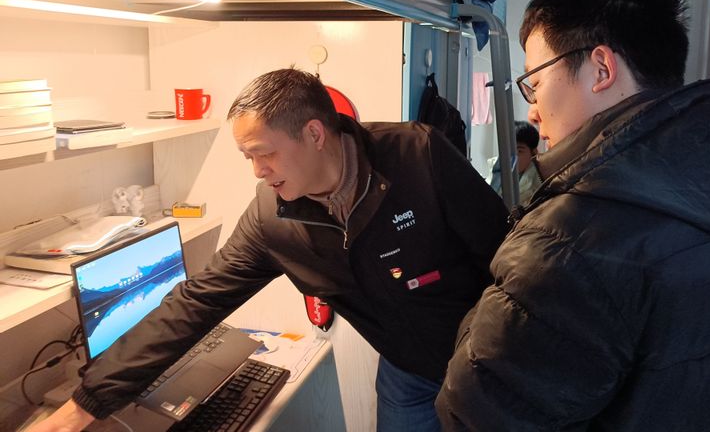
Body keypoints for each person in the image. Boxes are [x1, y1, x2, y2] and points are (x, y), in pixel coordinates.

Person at [32, 68, 509, 432]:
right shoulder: (272, 218)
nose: (258, 171)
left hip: (487, 363)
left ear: (315, 134)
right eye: (248, 157)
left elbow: (507, 258)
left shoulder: (418, 156)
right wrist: (84, 404)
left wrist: (501, 358)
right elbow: (196, 302)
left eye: (265, 153)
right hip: (407, 373)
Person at [436, 0, 710, 430]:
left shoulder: (571, 238)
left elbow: (472, 415)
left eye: (535, 83)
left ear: (601, 68)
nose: (534, 112)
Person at [514, 121, 541, 205]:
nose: (512, 157)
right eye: (507, 150)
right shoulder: (495, 172)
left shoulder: (541, 181)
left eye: (519, 151)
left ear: (534, 153)